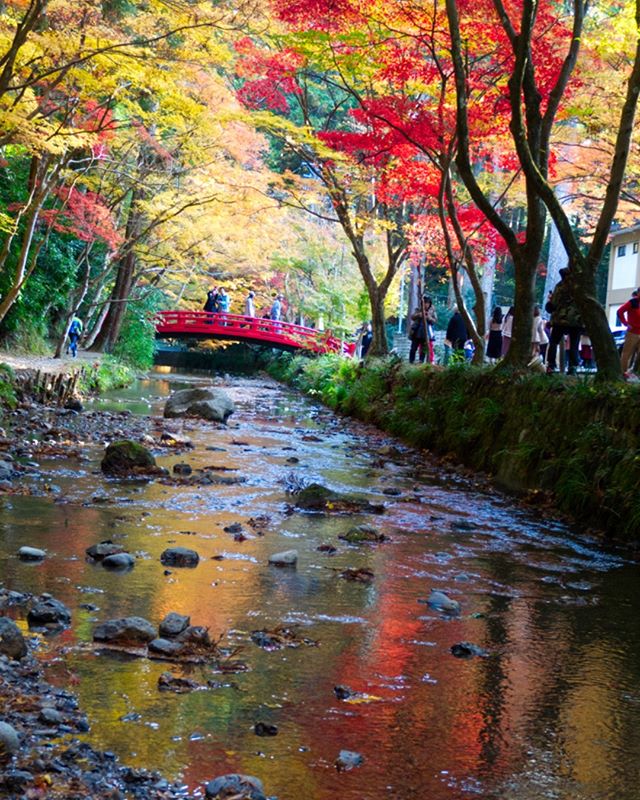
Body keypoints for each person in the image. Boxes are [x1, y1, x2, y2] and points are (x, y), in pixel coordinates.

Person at [545, 267, 582, 375]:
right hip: (576, 320)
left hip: (560, 320)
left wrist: (550, 301)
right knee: (574, 345)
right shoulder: (578, 286)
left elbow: (553, 304)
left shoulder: (560, 286)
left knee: (553, 343)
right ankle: (572, 367)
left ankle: (550, 366)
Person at [617, 288, 640, 377]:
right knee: (627, 353)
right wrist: (625, 323)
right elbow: (619, 312)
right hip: (632, 332)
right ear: (638, 293)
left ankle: (636, 372)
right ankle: (623, 373)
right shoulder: (632, 302)